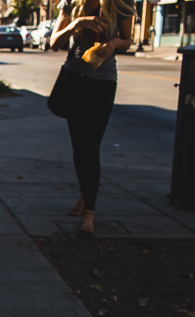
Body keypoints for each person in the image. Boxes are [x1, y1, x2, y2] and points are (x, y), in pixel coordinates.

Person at [50, 0, 134, 236]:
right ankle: (86, 196)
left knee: (90, 145)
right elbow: (54, 43)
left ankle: (89, 214)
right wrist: (77, 23)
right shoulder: (71, 4)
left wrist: (116, 42)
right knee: (79, 146)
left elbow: (128, 41)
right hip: (74, 80)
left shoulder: (121, 3)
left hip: (103, 83)